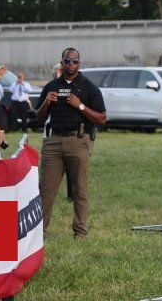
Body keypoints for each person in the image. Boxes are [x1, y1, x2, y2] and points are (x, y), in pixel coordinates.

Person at [35, 48, 106, 238]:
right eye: (67, 61)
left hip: (79, 139)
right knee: (46, 190)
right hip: (54, 141)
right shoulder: (51, 86)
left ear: (79, 63)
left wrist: (80, 105)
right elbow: (39, 118)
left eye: (74, 61)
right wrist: (46, 103)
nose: (70, 64)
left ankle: (81, 232)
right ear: (62, 62)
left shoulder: (88, 87)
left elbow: (101, 118)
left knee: (79, 189)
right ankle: (38, 232)